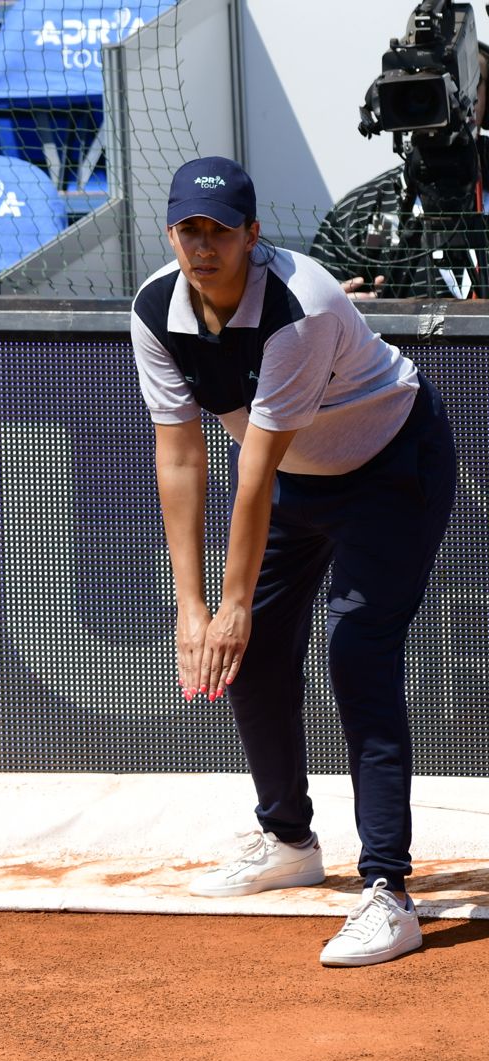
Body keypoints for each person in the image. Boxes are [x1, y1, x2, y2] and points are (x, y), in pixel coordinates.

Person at [131, 156, 457, 968]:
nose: (202, 246)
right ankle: (287, 839)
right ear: (170, 234)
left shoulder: (299, 306)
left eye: (218, 231)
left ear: (252, 234)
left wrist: (234, 604)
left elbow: (254, 469)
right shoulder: (154, 308)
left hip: (391, 465)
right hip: (298, 482)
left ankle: (388, 892)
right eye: (188, 230)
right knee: (255, 656)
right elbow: (181, 458)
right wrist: (194, 608)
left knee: (358, 654)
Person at [311, 41, 489, 300]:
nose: (448, 99)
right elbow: (308, 312)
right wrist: (338, 311)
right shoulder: (357, 215)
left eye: (460, 82)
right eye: (425, 86)